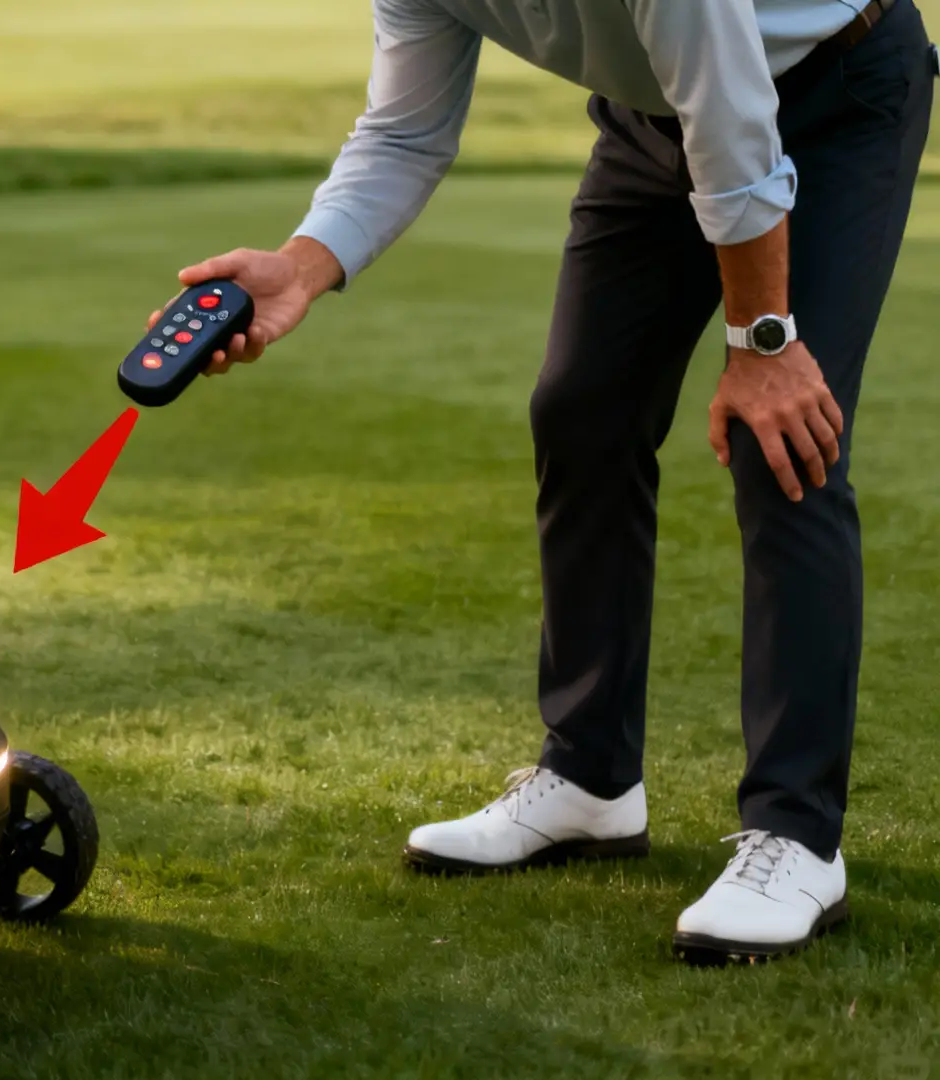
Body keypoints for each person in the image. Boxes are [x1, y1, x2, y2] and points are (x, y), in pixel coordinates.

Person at [164, 0, 935, 962]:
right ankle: (590, 779)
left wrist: (763, 343)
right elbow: (404, 131)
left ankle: (797, 835)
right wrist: (302, 267)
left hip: (835, 89)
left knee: (785, 444)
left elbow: (735, 127)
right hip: (656, 122)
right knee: (581, 414)